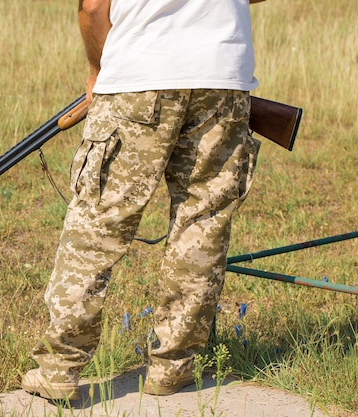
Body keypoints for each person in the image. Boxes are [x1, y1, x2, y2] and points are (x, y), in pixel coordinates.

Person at [21, 0, 264, 400]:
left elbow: (95, 6)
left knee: (97, 224)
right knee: (201, 225)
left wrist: (98, 70)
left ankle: (59, 368)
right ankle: (173, 368)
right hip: (224, 74)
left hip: (140, 73)